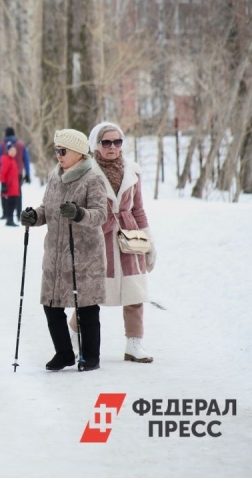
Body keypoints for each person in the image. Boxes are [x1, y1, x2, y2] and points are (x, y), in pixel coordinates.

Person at [67, 122, 156, 363]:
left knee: (134, 292)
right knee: (90, 295)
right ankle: (74, 337)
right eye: (107, 142)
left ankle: (134, 345)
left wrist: (149, 242)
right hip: (98, 239)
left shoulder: (133, 171)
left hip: (129, 239)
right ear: (96, 144)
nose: (113, 147)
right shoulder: (85, 172)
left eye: (117, 142)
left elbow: (138, 210)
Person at [20, 129, 107, 371]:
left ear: (79, 153)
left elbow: (101, 214)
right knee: (51, 305)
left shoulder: (93, 178)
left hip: (84, 256)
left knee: (87, 307)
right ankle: (64, 353)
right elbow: (46, 209)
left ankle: (91, 357)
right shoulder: (54, 177)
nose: (58, 155)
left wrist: (79, 214)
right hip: (55, 255)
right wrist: (33, 216)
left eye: (63, 151)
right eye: (56, 150)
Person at [0, 127, 31, 222]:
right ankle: (18, 214)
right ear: (14, 134)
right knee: (18, 194)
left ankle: (5, 213)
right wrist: (27, 174)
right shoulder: (21, 145)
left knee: (4, 193)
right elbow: (26, 160)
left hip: (5, 175)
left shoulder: (2, 145)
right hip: (18, 173)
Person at [0, 142, 20, 226]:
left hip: (14, 185)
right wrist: (3, 184)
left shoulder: (12, 159)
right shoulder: (6, 160)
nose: (14, 151)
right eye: (12, 150)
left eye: (14, 150)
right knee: (11, 203)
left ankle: (10, 219)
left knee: (14, 203)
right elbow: (2, 173)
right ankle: (9, 219)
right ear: (8, 151)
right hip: (10, 186)